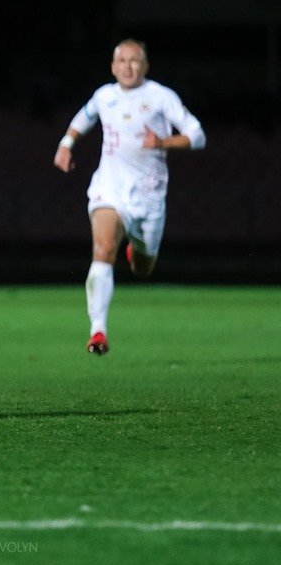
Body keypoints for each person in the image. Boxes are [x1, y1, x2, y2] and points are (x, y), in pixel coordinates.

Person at [53, 39, 205, 355]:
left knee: (142, 269)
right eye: (121, 60)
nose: (128, 66)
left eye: (135, 60)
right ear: (112, 67)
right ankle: (98, 331)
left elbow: (198, 136)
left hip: (149, 197)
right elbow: (84, 118)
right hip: (110, 189)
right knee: (103, 249)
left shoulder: (161, 96)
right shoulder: (104, 96)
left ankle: (136, 249)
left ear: (146, 66)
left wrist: (163, 142)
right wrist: (66, 145)